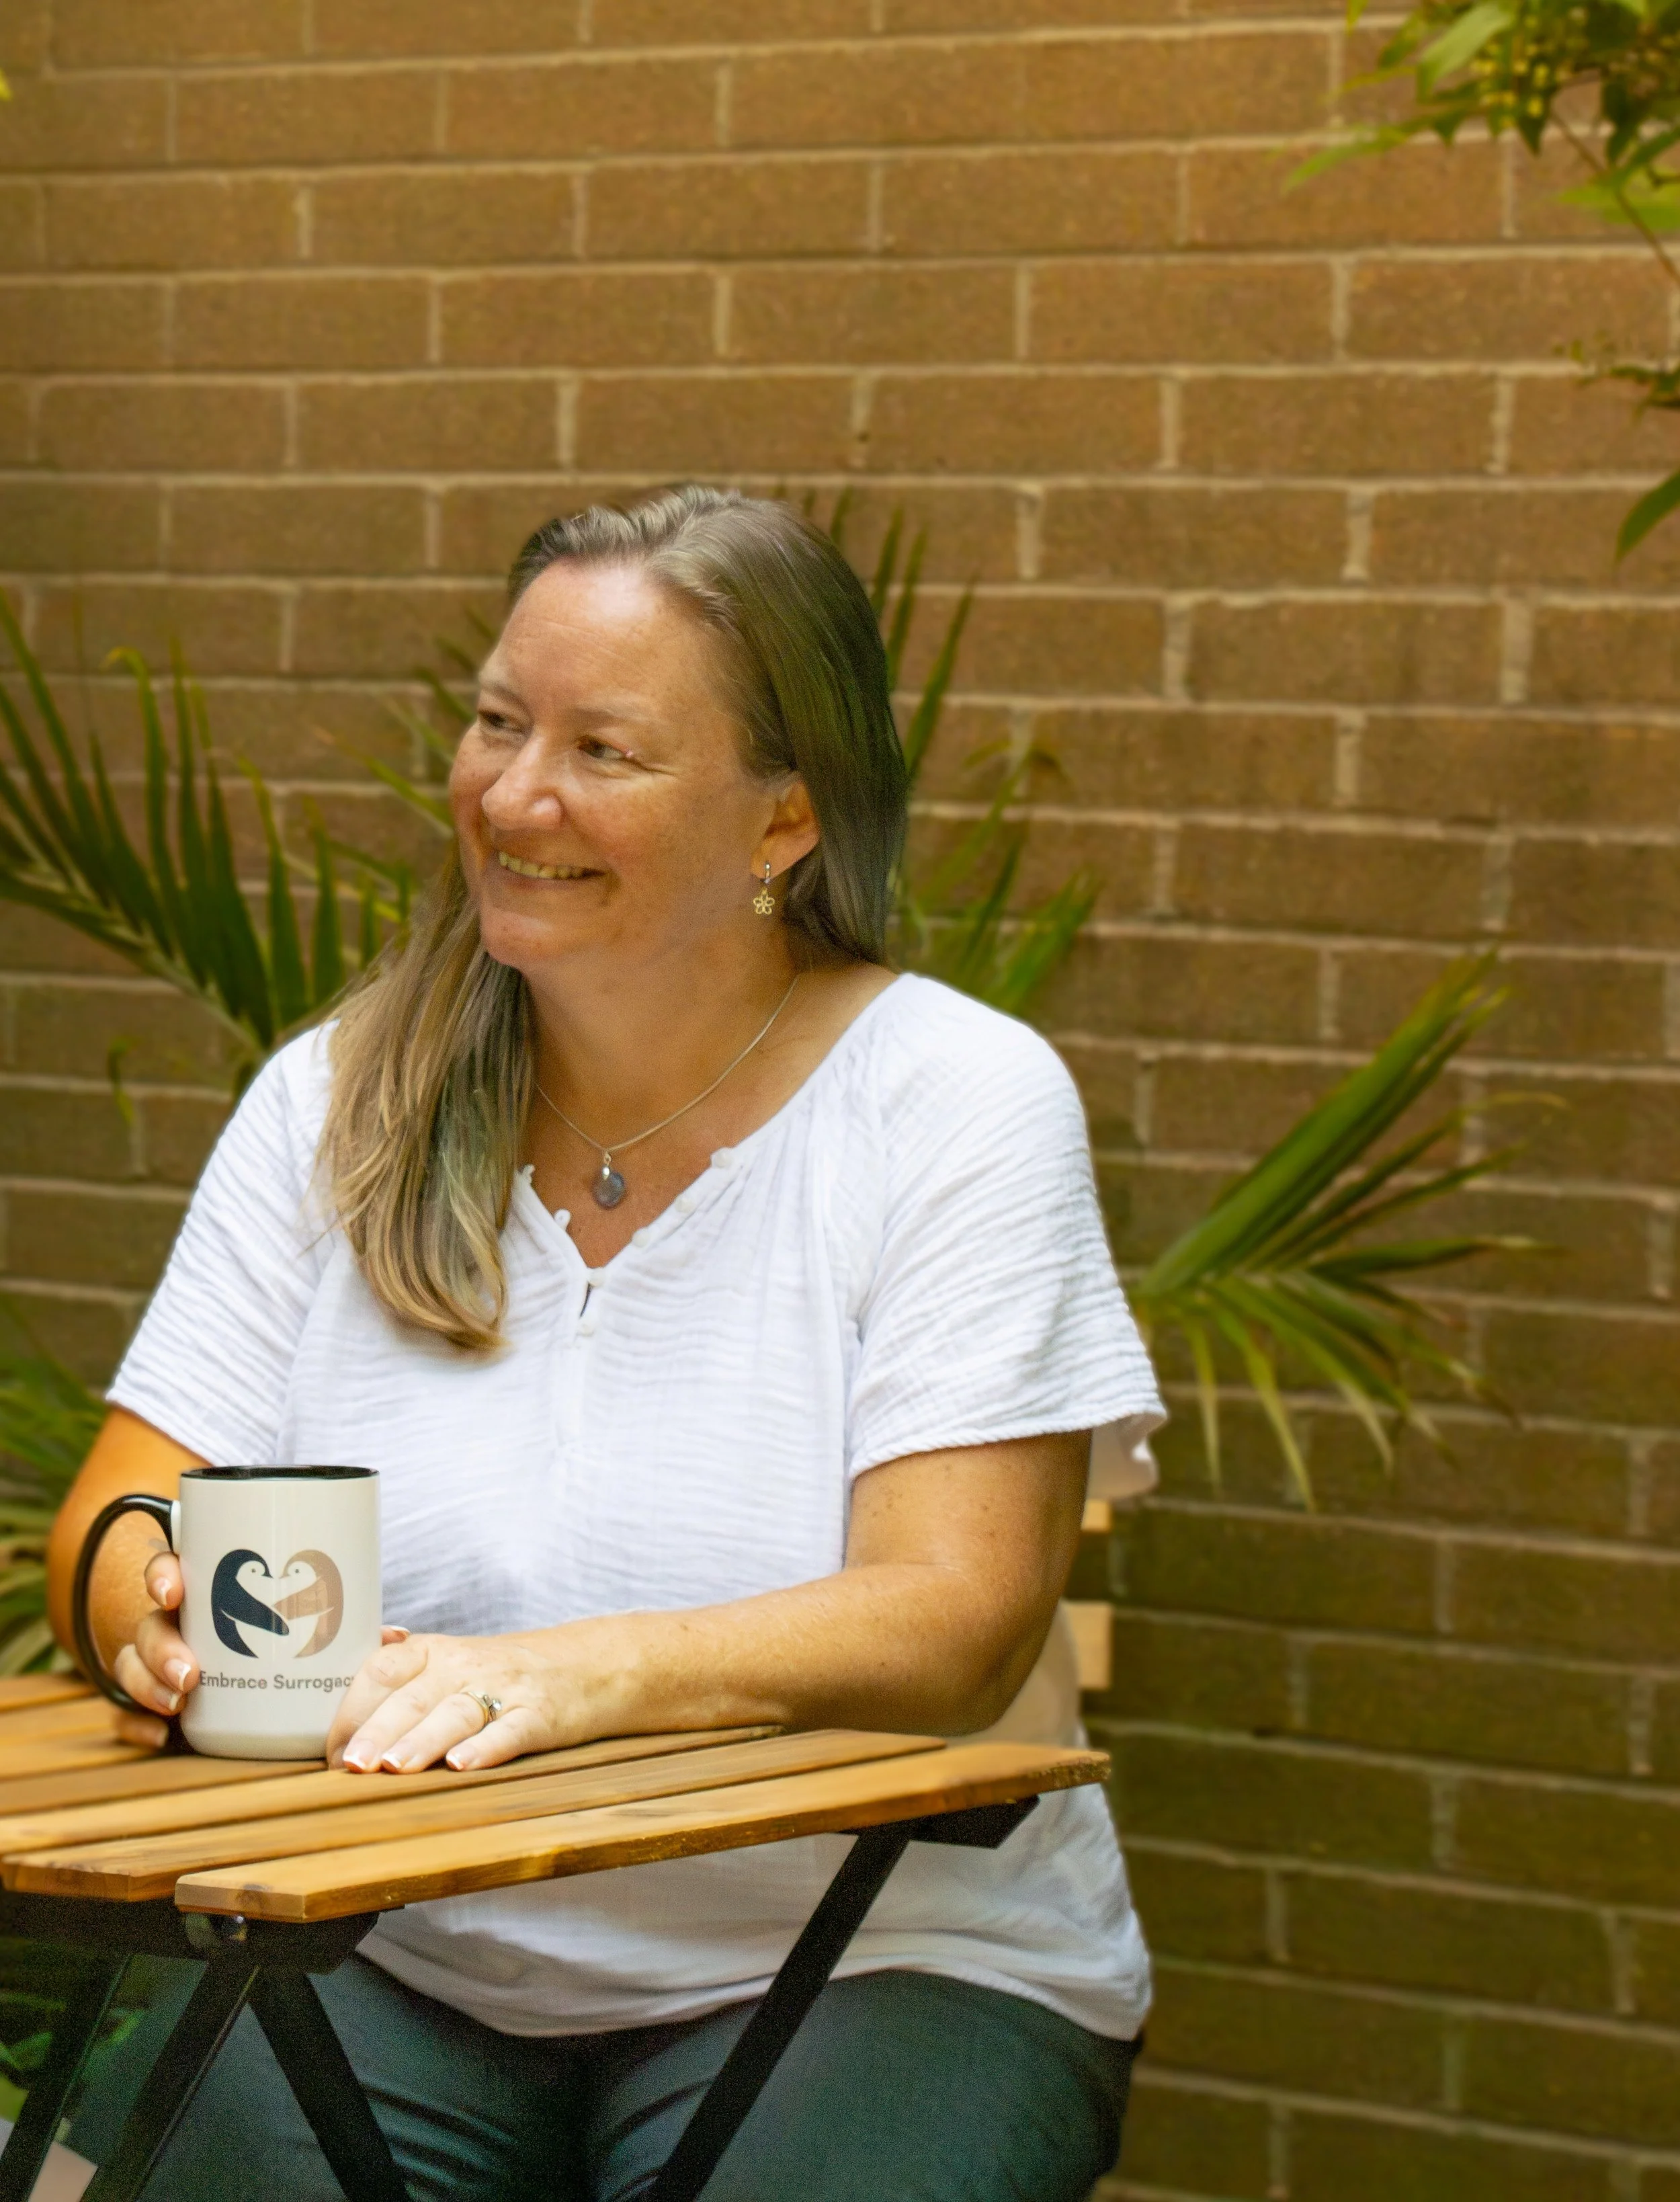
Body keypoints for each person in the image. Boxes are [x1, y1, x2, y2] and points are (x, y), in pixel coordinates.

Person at [48, 485, 1165, 2202]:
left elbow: (955, 1614)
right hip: (389, 1951)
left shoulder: (953, 1104)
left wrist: (566, 1678)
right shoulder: (338, 1099)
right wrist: (156, 1620)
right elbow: (120, 1514)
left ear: (782, 819)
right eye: (497, 722)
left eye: (603, 749)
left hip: (876, 1964)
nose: (513, 792)